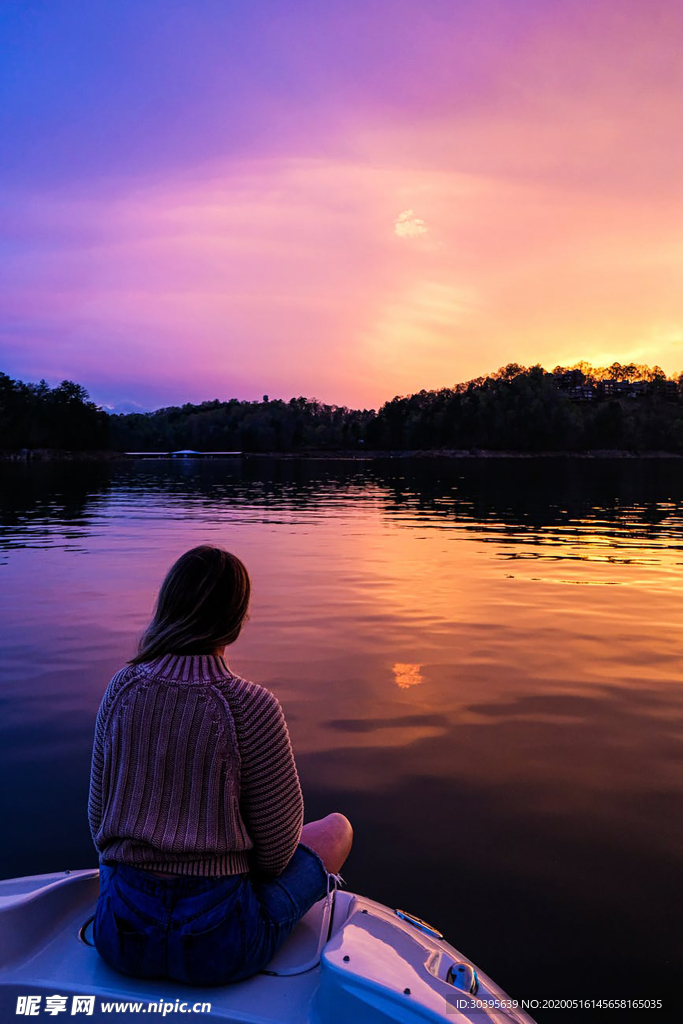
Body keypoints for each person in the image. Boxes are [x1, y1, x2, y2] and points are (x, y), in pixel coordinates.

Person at [88, 544, 352, 986]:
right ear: (236, 619)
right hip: (219, 945)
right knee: (338, 829)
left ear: (167, 605)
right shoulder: (252, 707)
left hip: (120, 938)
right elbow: (275, 856)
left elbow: (99, 826)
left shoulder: (121, 689)